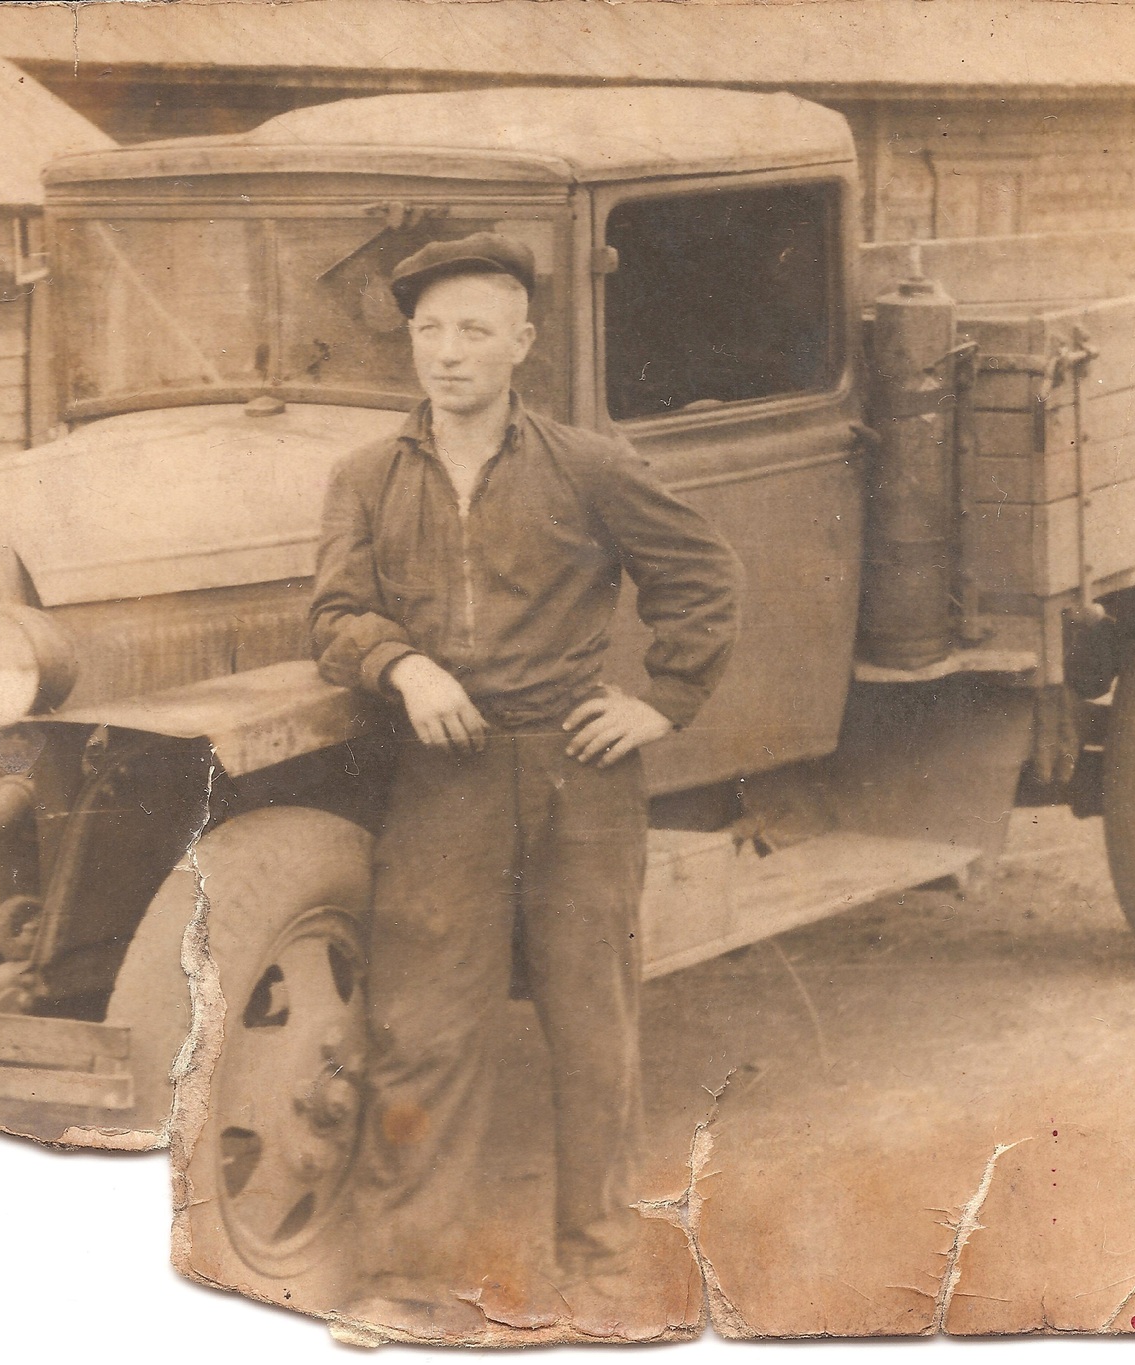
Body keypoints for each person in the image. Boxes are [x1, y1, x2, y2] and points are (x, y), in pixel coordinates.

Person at [309, 232, 744, 1336]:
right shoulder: (365, 476)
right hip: (441, 783)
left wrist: (663, 700)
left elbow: (701, 575)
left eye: (472, 331)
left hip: (575, 777)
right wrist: (399, 666)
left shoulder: (586, 465)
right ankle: (405, 1281)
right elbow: (332, 616)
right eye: (427, 332)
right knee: (421, 1031)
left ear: (520, 344)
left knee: (590, 1028)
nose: (446, 354)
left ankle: (600, 1275)